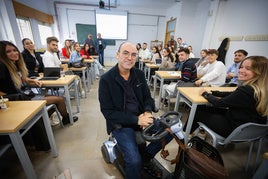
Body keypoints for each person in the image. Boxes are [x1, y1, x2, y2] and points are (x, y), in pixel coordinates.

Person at [98, 42, 173, 179]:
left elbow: (147, 98)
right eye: (125, 53)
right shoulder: (106, 80)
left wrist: (148, 112)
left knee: (169, 131)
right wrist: (136, 119)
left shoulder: (138, 74)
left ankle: (146, 156)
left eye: (133, 55)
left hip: (142, 117)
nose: (129, 58)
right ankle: (139, 162)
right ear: (117, 55)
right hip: (122, 124)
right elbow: (108, 112)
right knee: (134, 160)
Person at [0, 41, 78, 149]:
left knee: (56, 101)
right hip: (21, 100)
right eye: (8, 52)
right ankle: (65, 119)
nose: (14, 53)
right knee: (59, 99)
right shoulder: (3, 67)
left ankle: (49, 121)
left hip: (26, 95)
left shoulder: (15, 66)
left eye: (14, 50)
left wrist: (31, 80)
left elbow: (19, 78)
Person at [188, 56, 268, 138]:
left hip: (234, 129)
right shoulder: (259, 89)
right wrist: (214, 92)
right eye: (241, 67)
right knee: (203, 108)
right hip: (251, 130)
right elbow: (234, 94)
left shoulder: (246, 90)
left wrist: (205, 94)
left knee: (198, 112)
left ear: (259, 73)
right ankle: (199, 133)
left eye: (248, 69)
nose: (241, 70)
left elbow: (219, 103)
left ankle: (184, 136)